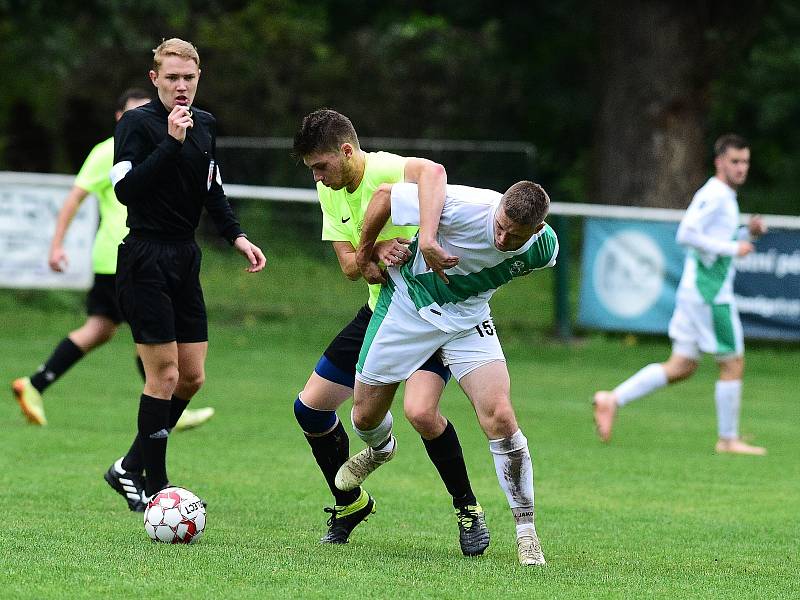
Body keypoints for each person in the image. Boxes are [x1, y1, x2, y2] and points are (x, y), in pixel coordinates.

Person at [291, 109, 489, 555]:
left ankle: (468, 508)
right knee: (311, 411)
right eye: (312, 171)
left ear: (346, 151)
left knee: (421, 414)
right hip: (378, 314)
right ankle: (350, 503)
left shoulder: (385, 168)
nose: (319, 179)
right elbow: (349, 266)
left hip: (429, 317)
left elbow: (433, 173)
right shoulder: (330, 191)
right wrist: (374, 246)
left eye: (321, 167)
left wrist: (426, 238)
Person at [335, 179, 558, 566]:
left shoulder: (544, 247)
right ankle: (382, 447)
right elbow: (386, 194)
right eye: (500, 226)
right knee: (364, 416)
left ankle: (527, 534)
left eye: (514, 235)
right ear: (498, 205)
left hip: (468, 321)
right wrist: (366, 253)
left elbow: (500, 265)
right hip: (408, 306)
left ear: (536, 230)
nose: (502, 238)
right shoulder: (466, 207)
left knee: (500, 416)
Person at [104, 38, 266, 512]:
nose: (181, 86)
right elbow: (127, 192)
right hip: (144, 258)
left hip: (184, 258)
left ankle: (128, 465)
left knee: (191, 378)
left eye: (188, 78)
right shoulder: (135, 125)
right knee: (164, 374)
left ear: (199, 79)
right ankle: (157, 489)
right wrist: (170, 143)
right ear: (155, 79)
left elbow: (211, 189)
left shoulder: (206, 126)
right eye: (171, 77)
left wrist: (236, 235)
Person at [11, 89, 215, 432]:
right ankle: (165, 410)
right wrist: (56, 245)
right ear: (120, 118)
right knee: (147, 334)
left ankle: (36, 383)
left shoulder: (165, 144)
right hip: (124, 256)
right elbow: (75, 198)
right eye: (132, 113)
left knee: (103, 330)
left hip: (138, 255)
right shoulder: (107, 151)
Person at [593, 134, 767, 456]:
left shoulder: (724, 196)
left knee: (682, 365)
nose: (741, 168)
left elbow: (713, 237)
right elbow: (686, 233)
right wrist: (734, 246)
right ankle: (728, 440)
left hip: (696, 292)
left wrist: (745, 233)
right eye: (735, 161)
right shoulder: (715, 194)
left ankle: (611, 399)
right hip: (709, 294)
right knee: (733, 363)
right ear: (719, 162)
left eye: (745, 162)